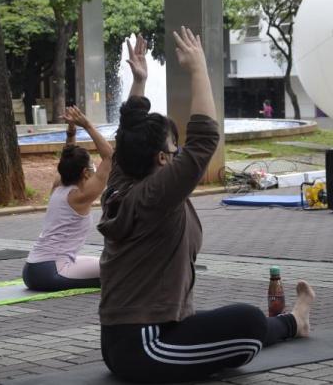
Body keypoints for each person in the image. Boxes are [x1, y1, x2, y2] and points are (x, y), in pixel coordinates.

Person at [97, 28, 315, 384]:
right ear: (163, 159)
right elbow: (204, 140)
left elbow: (127, 138)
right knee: (248, 325)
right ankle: (293, 323)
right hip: (147, 347)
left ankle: (294, 322)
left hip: (124, 342)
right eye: (174, 147)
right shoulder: (154, 195)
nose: (180, 153)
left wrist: (139, 82)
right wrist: (199, 68)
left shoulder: (122, 182)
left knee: (231, 324)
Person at [22, 106, 113, 292]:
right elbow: (110, 157)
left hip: (32, 268)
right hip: (51, 272)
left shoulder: (58, 185)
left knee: (107, 260)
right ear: (85, 173)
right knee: (118, 269)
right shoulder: (80, 196)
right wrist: (86, 125)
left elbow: (67, 156)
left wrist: (71, 131)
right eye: (91, 167)